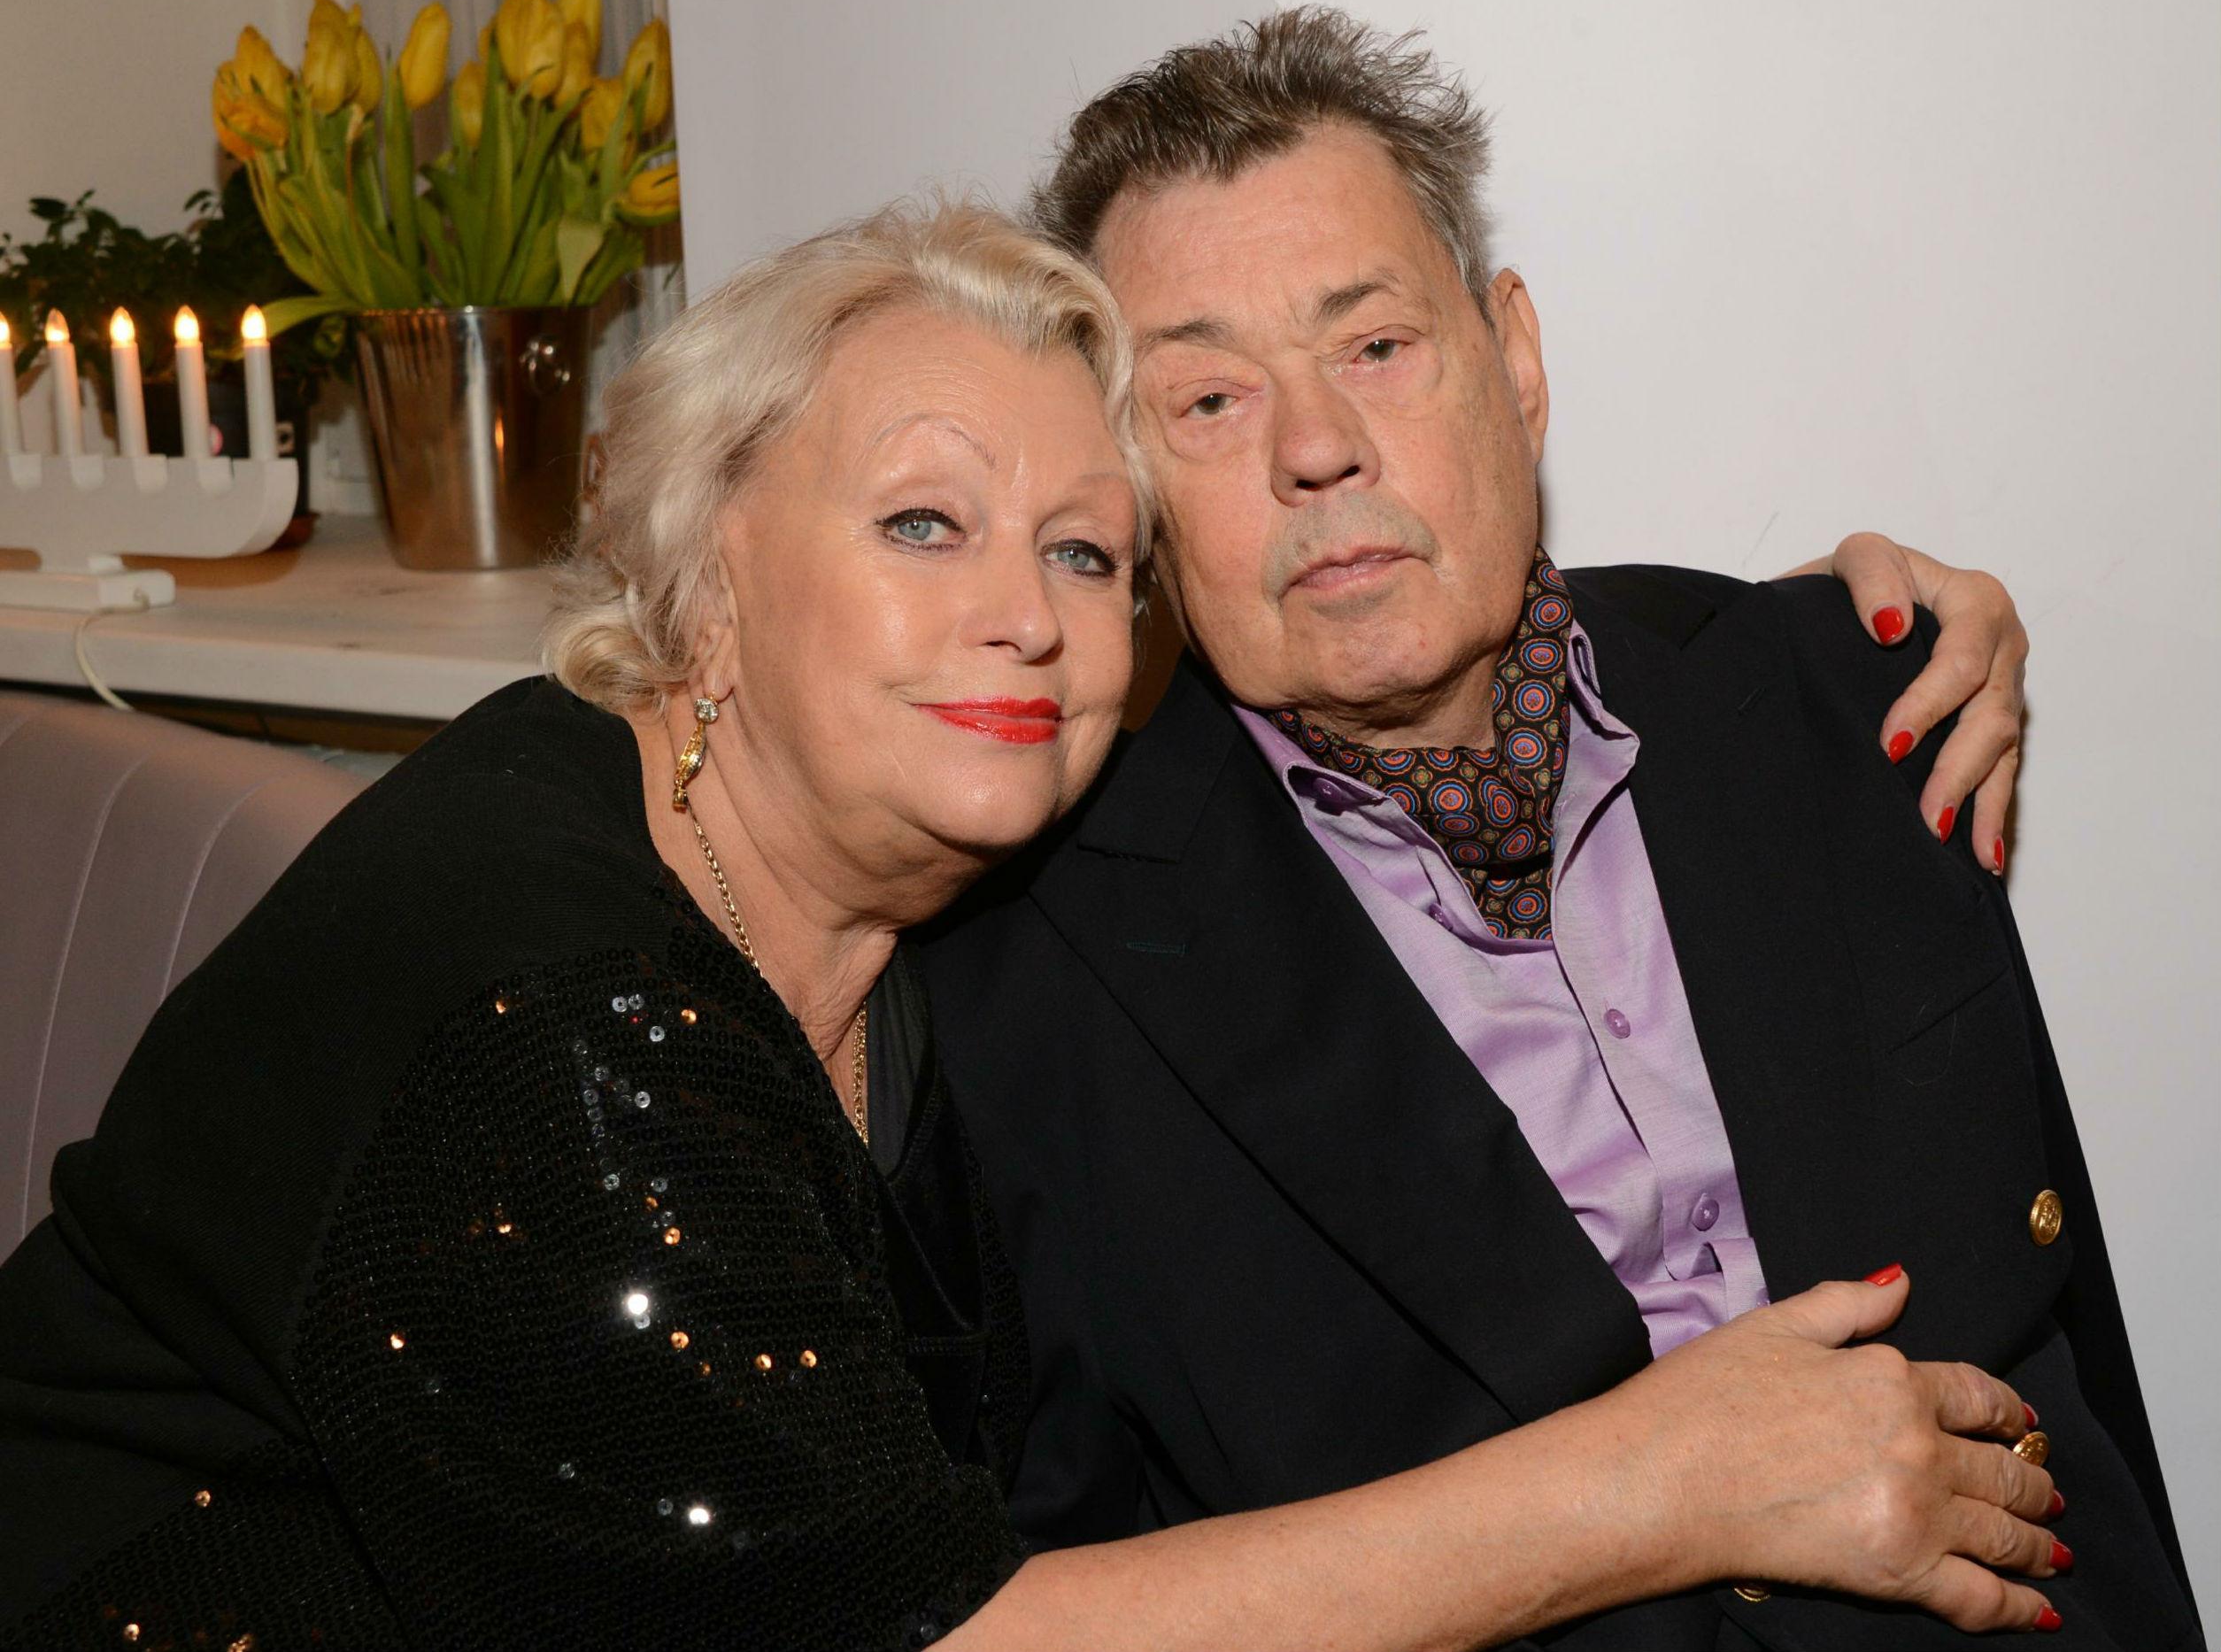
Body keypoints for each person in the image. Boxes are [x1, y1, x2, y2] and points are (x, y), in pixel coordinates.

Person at [0, 202, 2056, 1651]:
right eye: (923, 521)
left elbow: (1383, 640)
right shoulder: (561, 1017)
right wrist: (1659, 1480)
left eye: (1084, 551)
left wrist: (1786, 655)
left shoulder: (879, 868)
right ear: (706, 565)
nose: (1024, 613)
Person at [919, 11, 2202, 1649]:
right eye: (1210, 398)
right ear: (1129, 493)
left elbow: (2075, 1339)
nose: (1315, 448)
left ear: (1512, 360)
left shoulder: (1854, 696)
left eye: (1375, 346)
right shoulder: (1030, 967)